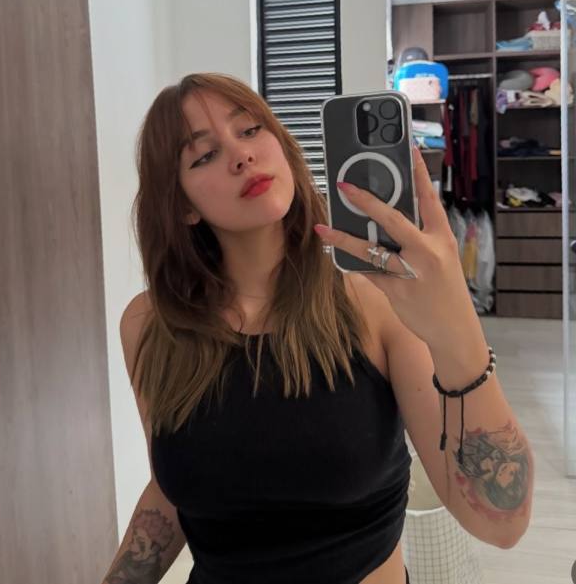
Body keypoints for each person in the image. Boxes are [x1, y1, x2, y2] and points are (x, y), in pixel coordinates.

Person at [100, 72, 531, 584]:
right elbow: (170, 490)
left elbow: (500, 523)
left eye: (250, 130)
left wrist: (456, 326)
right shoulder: (151, 325)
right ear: (183, 206)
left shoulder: (376, 302)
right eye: (205, 155)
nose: (242, 156)